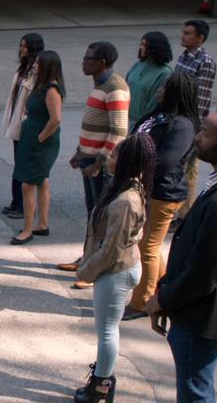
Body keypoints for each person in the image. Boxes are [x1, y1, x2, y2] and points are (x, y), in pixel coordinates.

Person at [73, 133, 155, 403]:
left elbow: (111, 249)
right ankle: (102, 378)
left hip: (116, 272)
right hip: (118, 268)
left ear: (126, 162)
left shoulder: (125, 201)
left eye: (114, 154)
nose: (108, 157)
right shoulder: (127, 188)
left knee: (107, 331)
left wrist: (86, 271)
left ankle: (101, 388)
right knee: (107, 329)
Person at [146, 112, 217, 403]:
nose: (198, 137)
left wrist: (162, 299)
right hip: (192, 310)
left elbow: (202, 273)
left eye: (205, 133)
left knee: (195, 393)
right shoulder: (213, 183)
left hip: (200, 319)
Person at [122, 72, 198, 321]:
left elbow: (167, 161)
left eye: (164, 86)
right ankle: (162, 283)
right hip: (148, 189)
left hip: (164, 193)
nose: (159, 89)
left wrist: (135, 166)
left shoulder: (183, 124)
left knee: (148, 247)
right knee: (148, 245)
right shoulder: (161, 115)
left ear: (175, 92)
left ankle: (142, 302)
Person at [58, 42, 129, 288]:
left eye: (88, 58)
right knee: (93, 215)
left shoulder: (115, 87)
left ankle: (96, 270)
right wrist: (80, 152)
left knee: (101, 217)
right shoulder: (100, 85)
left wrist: (99, 163)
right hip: (89, 160)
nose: (83, 62)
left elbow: (118, 132)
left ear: (101, 62)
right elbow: (95, 125)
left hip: (102, 165)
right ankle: (87, 258)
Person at [11, 50, 64, 245]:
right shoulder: (40, 85)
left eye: (37, 63)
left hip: (41, 142)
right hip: (33, 138)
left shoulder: (51, 89)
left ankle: (27, 229)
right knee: (41, 181)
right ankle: (42, 223)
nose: (33, 65)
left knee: (27, 184)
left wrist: (40, 137)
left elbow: (56, 119)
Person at [173, 20, 215, 227]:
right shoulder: (184, 56)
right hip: (177, 118)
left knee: (189, 169)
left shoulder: (205, 62)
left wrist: (191, 127)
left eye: (188, 33)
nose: (183, 36)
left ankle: (184, 214)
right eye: (183, 32)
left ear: (200, 38)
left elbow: (202, 100)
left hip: (191, 123)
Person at [2, 33, 43, 219]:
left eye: (24, 46)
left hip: (26, 123)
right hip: (16, 120)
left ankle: (23, 206)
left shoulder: (38, 70)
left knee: (24, 165)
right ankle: (15, 202)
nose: (21, 49)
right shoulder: (23, 68)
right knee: (18, 163)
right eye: (21, 45)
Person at [125, 31, 172, 128]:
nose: (140, 47)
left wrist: (141, 124)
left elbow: (154, 103)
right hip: (125, 118)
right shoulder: (138, 64)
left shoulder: (164, 72)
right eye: (141, 44)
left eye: (144, 45)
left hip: (141, 123)